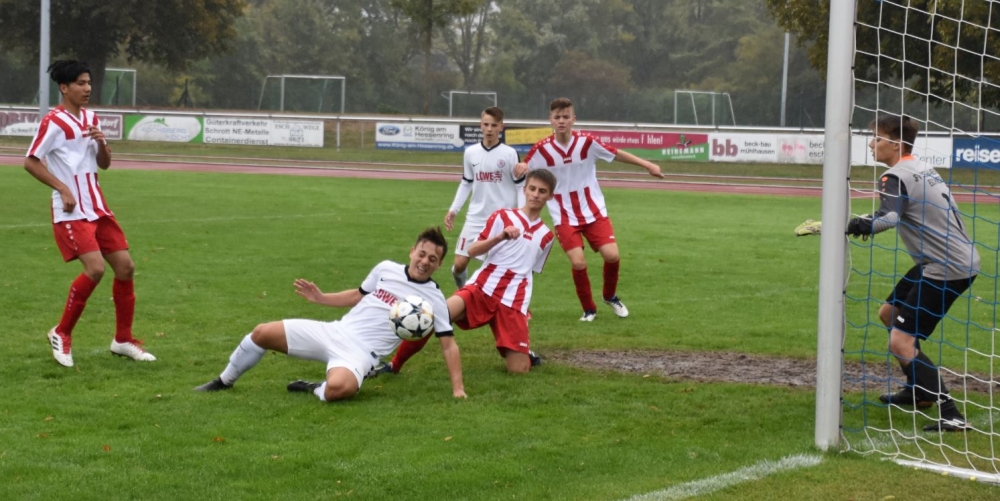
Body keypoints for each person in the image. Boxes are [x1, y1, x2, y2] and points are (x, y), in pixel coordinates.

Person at [194, 227, 467, 401]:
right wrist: (321, 298)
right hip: (336, 330)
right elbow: (357, 295)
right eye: (422, 254)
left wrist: (458, 389)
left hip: (361, 355)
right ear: (412, 251)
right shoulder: (385, 268)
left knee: (339, 389)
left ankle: (314, 387)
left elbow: (448, 344)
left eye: (432, 259)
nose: (424, 261)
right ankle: (224, 381)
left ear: (439, 264)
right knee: (262, 332)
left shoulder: (434, 299)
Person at [847, 114, 980, 432]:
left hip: (946, 266)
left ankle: (951, 413)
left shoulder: (894, 175)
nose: (871, 143)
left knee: (900, 342)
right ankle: (918, 390)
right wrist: (864, 220)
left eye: (877, 138)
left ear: (896, 144)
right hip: (943, 260)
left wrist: (854, 225)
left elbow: (889, 218)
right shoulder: (919, 167)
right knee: (888, 313)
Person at [24, 60, 154, 367]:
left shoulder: (91, 118)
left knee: (125, 268)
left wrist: (102, 143)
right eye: (80, 83)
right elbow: (31, 161)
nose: (87, 88)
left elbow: (104, 164)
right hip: (71, 211)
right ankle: (61, 332)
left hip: (97, 206)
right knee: (95, 269)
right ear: (64, 88)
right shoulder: (54, 122)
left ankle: (123, 340)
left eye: (89, 82)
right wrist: (62, 188)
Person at [384, 170, 557, 374]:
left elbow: (529, 272)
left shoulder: (547, 236)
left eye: (542, 191)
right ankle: (394, 366)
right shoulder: (503, 216)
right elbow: (473, 250)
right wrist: (500, 237)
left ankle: (524, 352)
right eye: (532, 189)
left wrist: (523, 306)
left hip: (512, 301)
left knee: (519, 370)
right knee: (432, 317)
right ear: (525, 189)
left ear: (550, 196)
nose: (535, 195)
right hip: (482, 289)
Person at [513, 97, 665, 321]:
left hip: (593, 211)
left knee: (612, 256)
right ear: (550, 120)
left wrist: (648, 165)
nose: (561, 121)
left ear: (573, 119)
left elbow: (616, 154)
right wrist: (523, 166)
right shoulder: (541, 150)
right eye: (557, 117)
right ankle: (589, 309)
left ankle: (609, 296)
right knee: (578, 262)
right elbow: (527, 169)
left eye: (566, 117)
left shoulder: (587, 142)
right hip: (563, 215)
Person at [445, 106, 524, 288]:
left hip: (502, 220)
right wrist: (453, 210)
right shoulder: (470, 152)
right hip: (476, 218)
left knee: (499, 268)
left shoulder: (510, 154)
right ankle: (463, 292)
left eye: (494, 125)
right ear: (480, 125)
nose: (489, 129)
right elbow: (466, 182)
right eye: (486, 124)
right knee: (459, 265)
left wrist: (521, 217)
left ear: (501, 127)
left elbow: (520, 186)